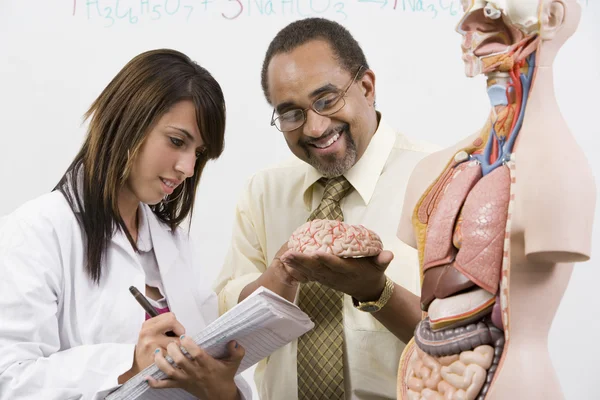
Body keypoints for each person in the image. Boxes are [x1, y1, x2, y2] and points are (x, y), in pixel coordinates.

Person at [0, 49, 251, 400]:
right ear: (127, 122)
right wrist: (128, 362)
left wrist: (226, 389)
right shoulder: (36, 232)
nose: (188, 168)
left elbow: (204, 359)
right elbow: (10, 379)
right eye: (177, 141)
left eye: (198, 153)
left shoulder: (174, 243)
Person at [214, 18, 437, 400]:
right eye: (291, 113)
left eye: (327, 100)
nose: (315, 128)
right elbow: (230, 336)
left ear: (366, 87)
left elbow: (469, 343)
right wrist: (281, 275)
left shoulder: (438, 180)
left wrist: (375, 291)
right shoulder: (263, 192)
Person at [395, 1, 595, 399]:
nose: (465, 24)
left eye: (490, 8)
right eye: (466, 7)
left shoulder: (560, 175)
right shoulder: (432, 173)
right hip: (428, 375)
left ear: (552, 16)